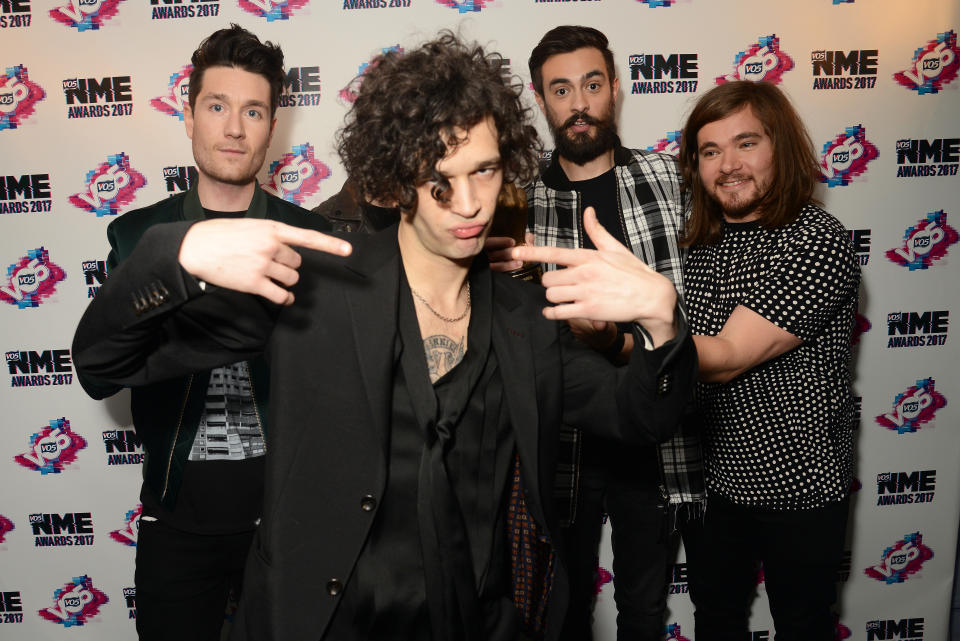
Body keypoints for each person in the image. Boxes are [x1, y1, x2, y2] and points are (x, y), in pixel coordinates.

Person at [72, 33, 697, 641]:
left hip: (479, 620)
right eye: (439, 179)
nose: (470, 203)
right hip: (330, 620)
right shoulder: (312, 291)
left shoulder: (525, 316)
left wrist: (663, 326)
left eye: (484, 171)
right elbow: (104, 363)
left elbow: (642, 415)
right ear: (398, 178)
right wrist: (168, 255)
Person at [73, 25, 331, 641]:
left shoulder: (307, 235)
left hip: (285, 523)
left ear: (273, 126)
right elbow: (102, 367)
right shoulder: (138, 238)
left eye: (253, 111)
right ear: (188, 117)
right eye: (217, 107)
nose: (234, 128)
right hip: (177, 523)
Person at [493, 25, 704, 641]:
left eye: (591, 84)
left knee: (643, 608)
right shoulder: (516, 200)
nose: (578, 102)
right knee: (561, 610)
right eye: (561, 89)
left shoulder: (671, 179)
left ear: (615, 88)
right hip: (563, 439)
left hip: (654, 436)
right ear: (541, 99)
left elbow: (711, 290)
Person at [676, 80, 860, 641]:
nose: (727, 165)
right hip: (717, 480)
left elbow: (727, 357)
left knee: (802, 625)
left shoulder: (815, 238)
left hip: (801, 481)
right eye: (710, 152)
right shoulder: (701, 244)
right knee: (716, 620)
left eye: (746, 144)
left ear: (780, 146)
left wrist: (622, 338)